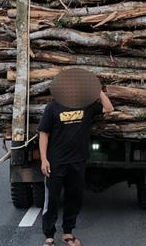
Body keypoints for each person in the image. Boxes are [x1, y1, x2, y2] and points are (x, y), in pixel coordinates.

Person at [38, 89, 114, 246]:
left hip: (77, 162)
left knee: (74, 198)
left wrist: (97, 90)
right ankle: (49, 236)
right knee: (52, 199)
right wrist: (44, 159)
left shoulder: (86, 106)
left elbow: (109, 108)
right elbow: (43, 133)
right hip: (56, 162)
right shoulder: (52, 107)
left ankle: (68, 233)